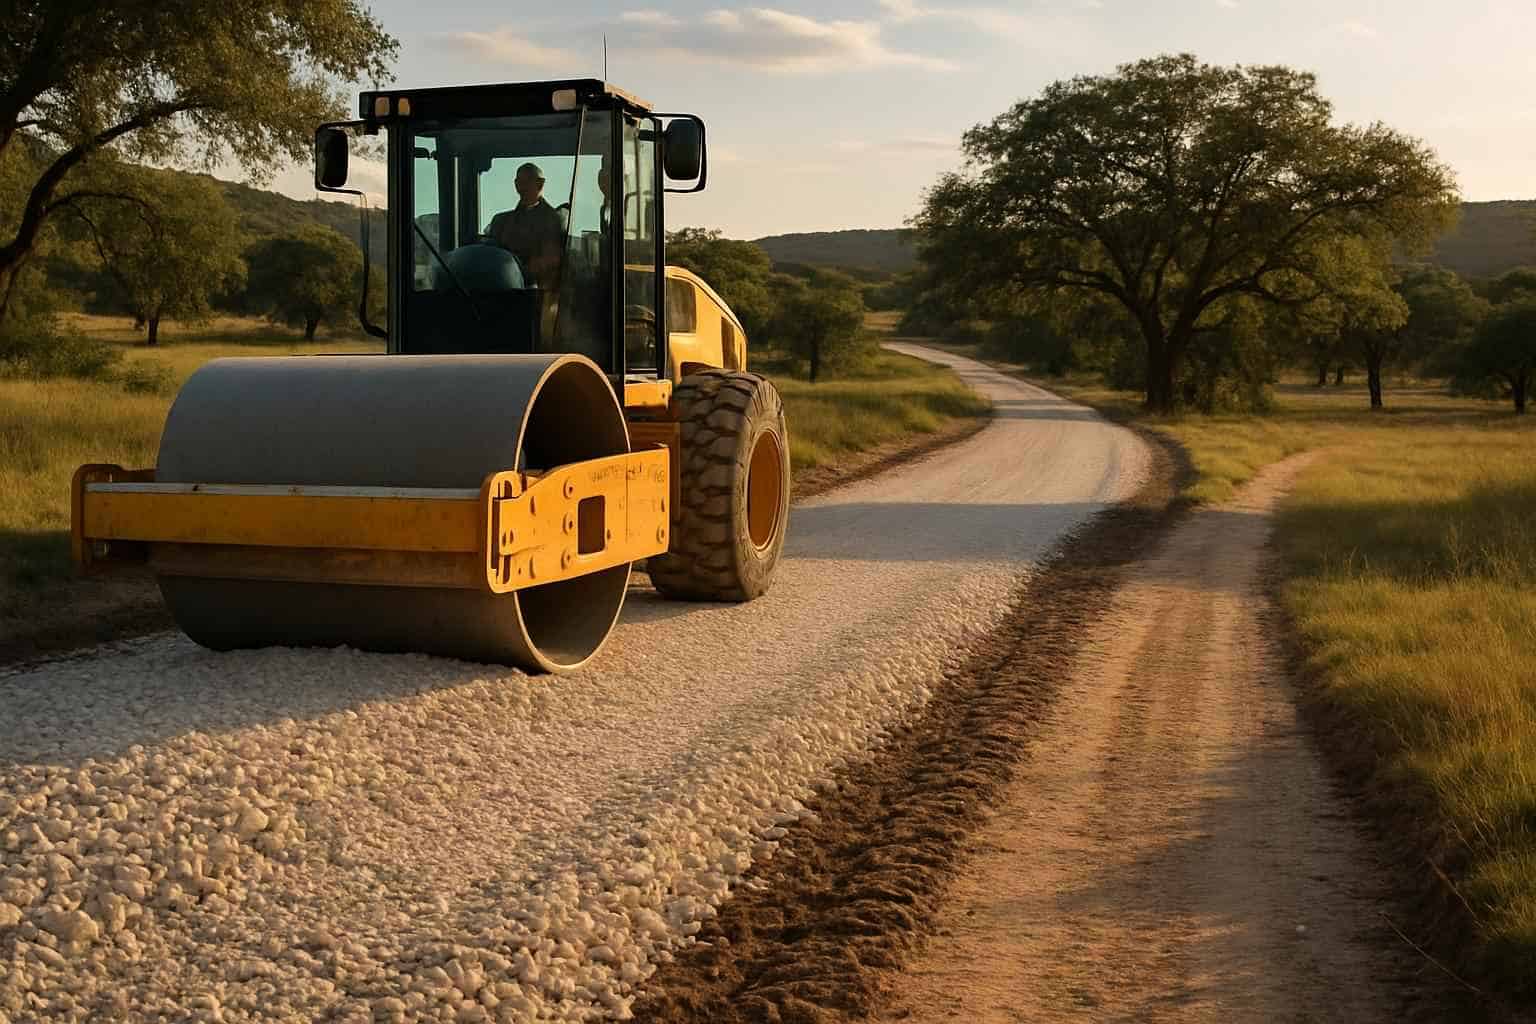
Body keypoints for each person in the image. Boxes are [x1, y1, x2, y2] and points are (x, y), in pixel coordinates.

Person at [487, 162, 563, 286]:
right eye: (519, 181)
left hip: (538, 293)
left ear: (541, 184)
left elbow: (551, 260)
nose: (521, 186)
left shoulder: (553, 220)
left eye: (527, 181)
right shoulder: (501, 221)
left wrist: (523, 272)